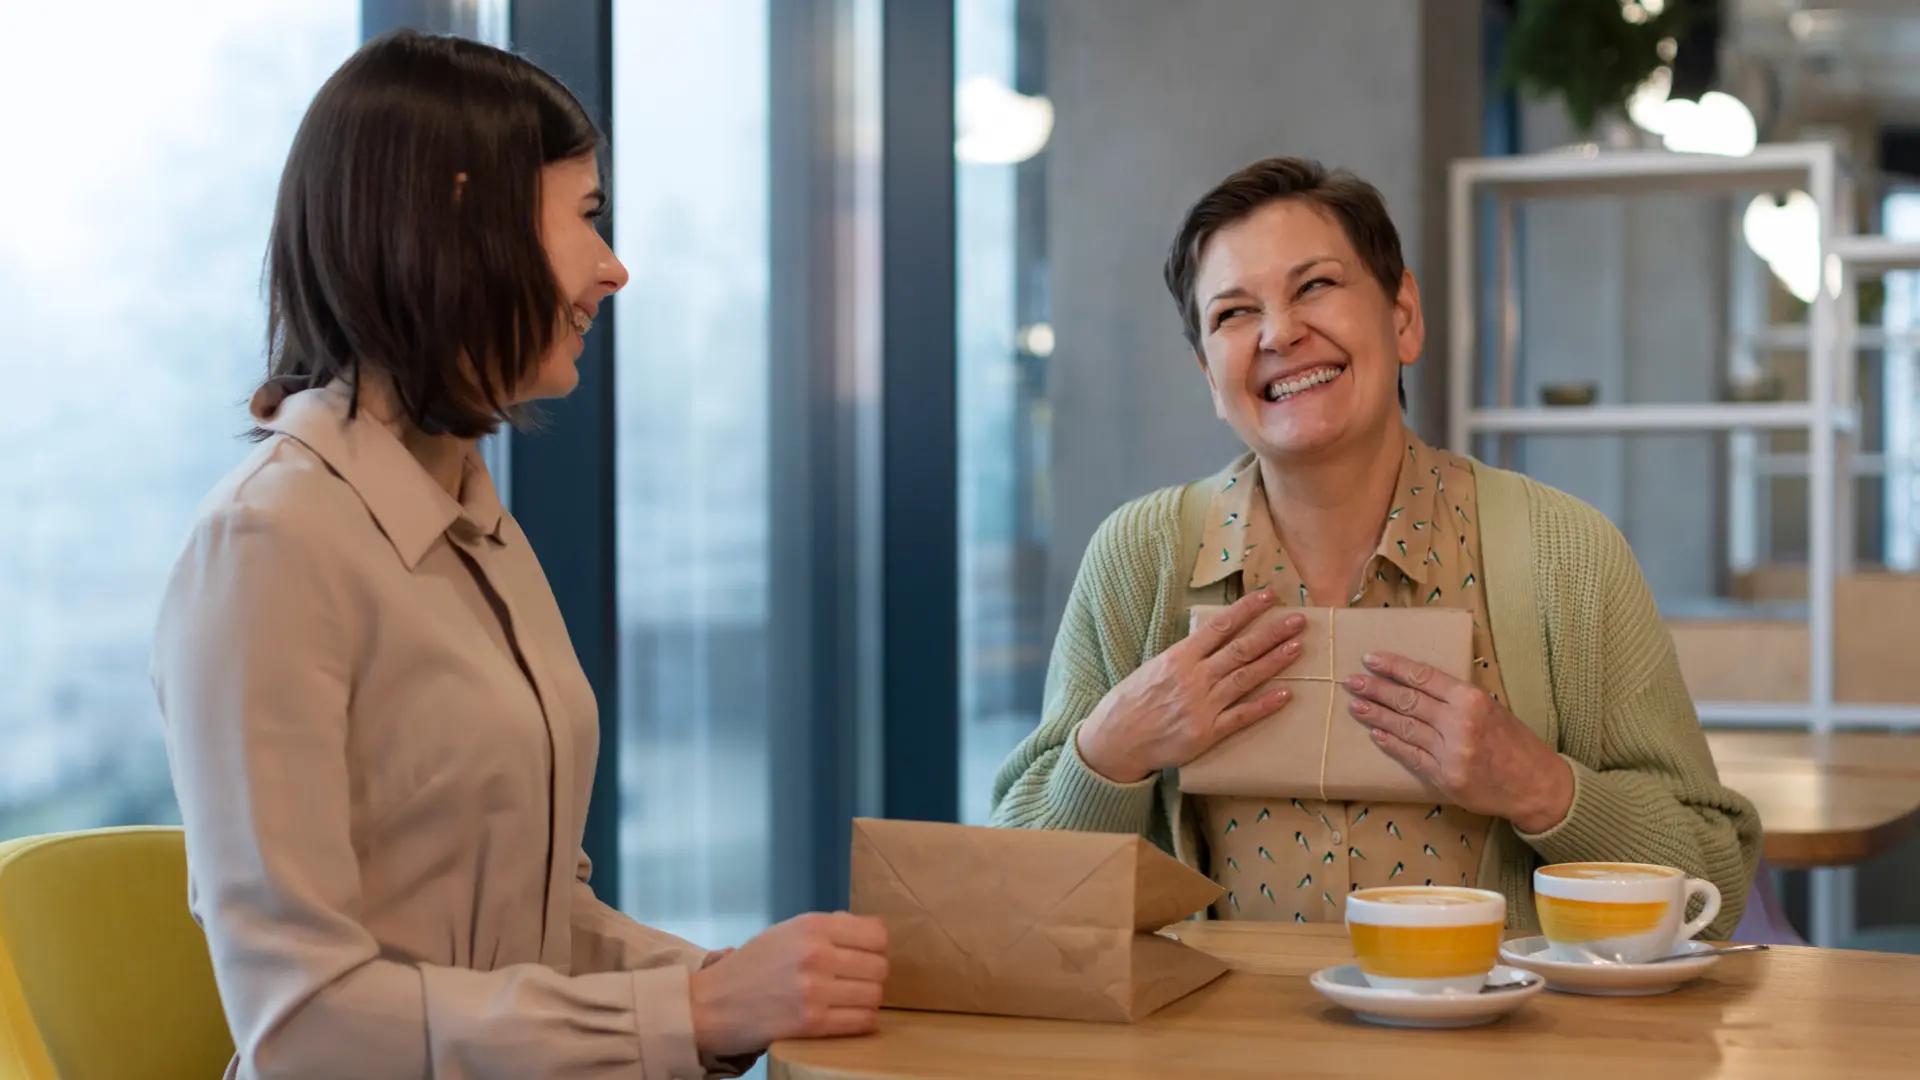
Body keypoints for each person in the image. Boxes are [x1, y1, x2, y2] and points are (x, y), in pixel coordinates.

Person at [151, 31, 886, 1080]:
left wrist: (736, 986)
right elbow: (305, 1024)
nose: (612, 268)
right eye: (586, 216)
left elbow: (538, 921)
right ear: (463, 216)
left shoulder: (475, 523)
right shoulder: (270, 543)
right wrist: (691, 1009)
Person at [989, 156, 1759, 932]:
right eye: (1231, 314)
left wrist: (1542, 787)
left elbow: (1714, 882)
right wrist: (1110, 750)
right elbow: (1017, 895)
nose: (1280, 332)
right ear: (1209, 378)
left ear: (1404, 316)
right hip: (1214, 1054)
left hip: (1501, 1053)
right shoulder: (1141, 556)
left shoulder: (1567, 553)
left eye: (1315, 286)